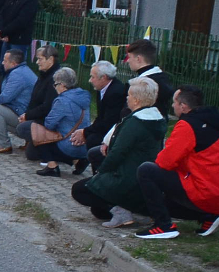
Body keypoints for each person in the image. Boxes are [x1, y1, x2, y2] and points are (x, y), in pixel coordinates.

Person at [134, 86, 219, 239]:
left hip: (204, 192)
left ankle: (163, 225)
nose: (172, 106)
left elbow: (165, 162)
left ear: (183, 106)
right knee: (160, 197)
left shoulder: (187, 125)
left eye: (175, 102)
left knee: (147, 171)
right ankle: (209, 216)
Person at [70, 79, 166, 227]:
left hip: (127, 176)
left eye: (129, 95)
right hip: (139, 173)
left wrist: (101, 173)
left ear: (137, 99)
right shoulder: (158, 120)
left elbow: (118, 153)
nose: (126, 98)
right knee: (99, 211)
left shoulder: (135, 122)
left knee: (79, 190)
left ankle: (125, 211)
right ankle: (130, 208)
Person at [31, 67, 91, 176]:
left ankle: (52, 166)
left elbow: (49, 124)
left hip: (69, 146)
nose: (55, 87)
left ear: (62, 85)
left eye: (55, 85)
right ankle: (78, 160)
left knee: (38, 131)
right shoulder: (83, 97)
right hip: (84, 145)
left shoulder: (62, 101)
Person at [72, 60, 127, 173]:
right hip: (108, 125)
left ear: (104, 77)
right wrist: (86, 131)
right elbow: (100, 117)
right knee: (90, 135)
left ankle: (98, 173)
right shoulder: (102, 89)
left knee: (93, 139)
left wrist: (85, 132)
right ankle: (86, 161)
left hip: (117, 129)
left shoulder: (115, 92)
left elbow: (108, 122)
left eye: (93, 77)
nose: (90, 80)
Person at [0, 49, 38, 154]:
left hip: (24, 114)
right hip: (26, 112)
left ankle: (3, 145)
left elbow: (6, 96)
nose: (2, 63)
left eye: (5, 60)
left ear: (13, 63)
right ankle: (28, 141)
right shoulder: (22, 70)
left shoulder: (17, 74)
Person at [14, 46, 59, 156]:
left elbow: (48, 106)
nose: (37, 62)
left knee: (22, 129)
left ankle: (51, 145)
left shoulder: (55, 78)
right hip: (37, 116)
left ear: (50, 59)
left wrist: (28, 116)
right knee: (31, 154)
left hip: (48, 121)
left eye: (40, 59)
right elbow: (34, 99)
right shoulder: (43, 75)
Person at [0, 0, 40, 64]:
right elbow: (3, 13)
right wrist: (2, 31)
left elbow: (21, 21)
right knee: (3, 65)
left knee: (15, 65)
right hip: (6, 38)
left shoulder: (30, 0)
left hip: (19, 40)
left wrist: (5, 32)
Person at [125, 39, 175, 116]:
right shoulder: (163, 78)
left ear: (138, 59)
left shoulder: (144, 84)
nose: (128, 61)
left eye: (129, 57)